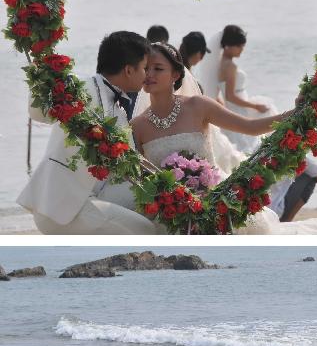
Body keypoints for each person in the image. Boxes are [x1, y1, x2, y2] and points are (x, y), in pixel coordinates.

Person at [131, 42, 296, 234]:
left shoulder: (198, 106)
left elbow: (250, 127)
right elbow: (142, 180)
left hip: (215, 206)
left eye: (157, 68)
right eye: (145, 68)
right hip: (168, 218)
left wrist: (295, 112)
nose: (149, 74)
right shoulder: (137, 126)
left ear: (175, 75)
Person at [17, 31, 158, 234]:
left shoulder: (119, 112)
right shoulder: (79, 87)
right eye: (144, 68)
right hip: (61, 206)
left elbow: (122, 170)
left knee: (158, 205)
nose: (147, 75)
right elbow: (39, 113)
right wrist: (41, 74)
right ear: (128, 70)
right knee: (145, 230)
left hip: (92, 197)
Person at [196, 25, 277, 153]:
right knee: (253, 135)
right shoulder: (230, 66)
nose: (242, 50)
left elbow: (218, 94)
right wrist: (256, 107)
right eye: (239, 46)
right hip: (238, 108)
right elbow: (230, 96)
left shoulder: (219, 64)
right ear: (229, 45)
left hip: (232, 107)